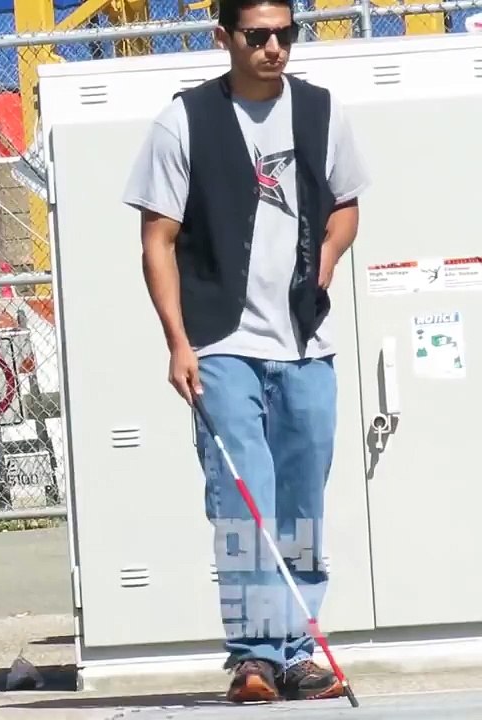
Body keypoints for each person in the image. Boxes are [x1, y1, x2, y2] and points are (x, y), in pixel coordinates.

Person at [122, 0, 369, 705]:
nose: (274, 47)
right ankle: (255, 655)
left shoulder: (322, 112)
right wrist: (178, 342)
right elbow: (157, 241)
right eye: (257, 35)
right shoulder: (185, 121)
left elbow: (346, 204)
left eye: (286, 34)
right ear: (224, 37)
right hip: (221, 342)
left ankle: (298, 650)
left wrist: (324, 262)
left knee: (301, 506)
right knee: (244, 503)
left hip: (305, 343)